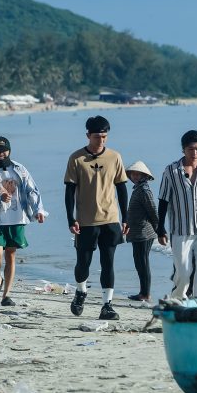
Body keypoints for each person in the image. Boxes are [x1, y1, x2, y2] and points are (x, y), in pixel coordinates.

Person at [64, 115, 129, 321]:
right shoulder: (76, 158)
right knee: (83, 263)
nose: (101, 140)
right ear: (87, 136)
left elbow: (122, 188)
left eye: (104, 136)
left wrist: (125, 218)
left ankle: (107, 305)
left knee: (108, 262)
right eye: (97, 137)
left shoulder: (115, 157)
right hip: (85, 221)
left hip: (110, 219)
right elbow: (69, 191)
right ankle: (81, 291)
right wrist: (70, 219)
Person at [0, 136, 46, 307]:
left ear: (9, 151)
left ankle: (6, 295)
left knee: (11, 255)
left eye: (4, 150)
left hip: (17, 218)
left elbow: (32, 191)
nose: (1, 153)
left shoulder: (19, 169)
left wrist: (38, 210)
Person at [156, 130, 197, 303]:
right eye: (191, 149)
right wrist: (160, 228)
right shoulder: (171, 171)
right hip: (181, 230)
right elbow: (163, 200)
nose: (195, 153)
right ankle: (178, 298)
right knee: (183, 272)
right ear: (183, 149)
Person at [125, 160, 159, 302]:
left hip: (144, 233)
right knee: (140, 263)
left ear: (144, 176)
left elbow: (153, 210)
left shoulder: (144, 190)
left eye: (138, 174)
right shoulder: (138, 189)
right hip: (137, 232)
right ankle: (143, 292)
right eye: (133, 174)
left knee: (143, 263)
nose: (135, 176)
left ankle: (145, 294)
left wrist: (159, 229)